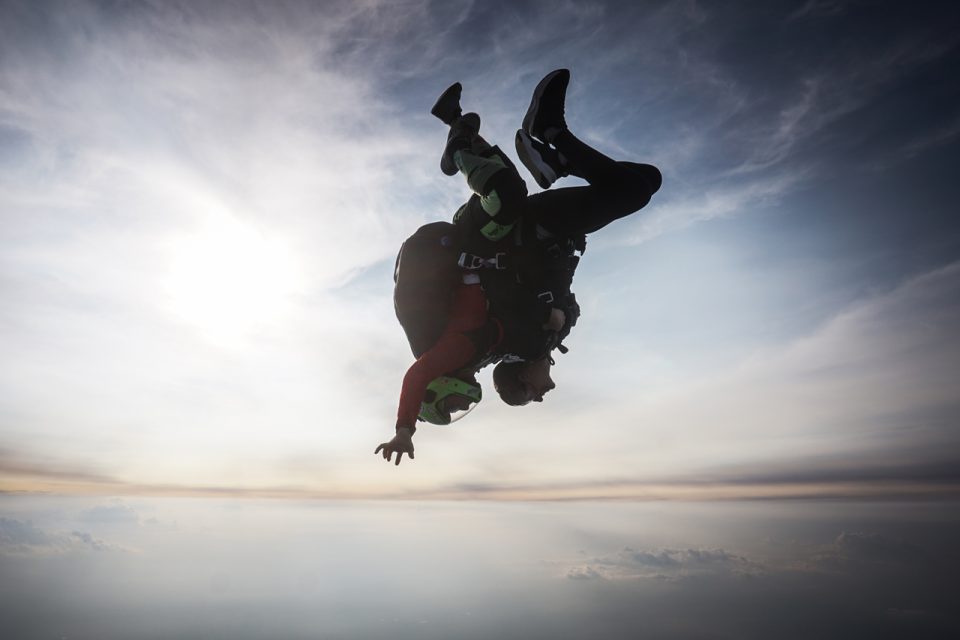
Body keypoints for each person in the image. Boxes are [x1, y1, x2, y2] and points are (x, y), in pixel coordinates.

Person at [376, 69, 661, 465]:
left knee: (514, 192)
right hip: (530, 240)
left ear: (438, 391)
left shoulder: (456, 351)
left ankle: (532, 135)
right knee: (643, 181)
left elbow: (416, 375)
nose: (462, 405)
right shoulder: (482, 353)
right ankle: (478, 129)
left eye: (452, 406)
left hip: (504, 237)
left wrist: (404, 430)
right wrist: (554, 319)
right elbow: (529, 306)